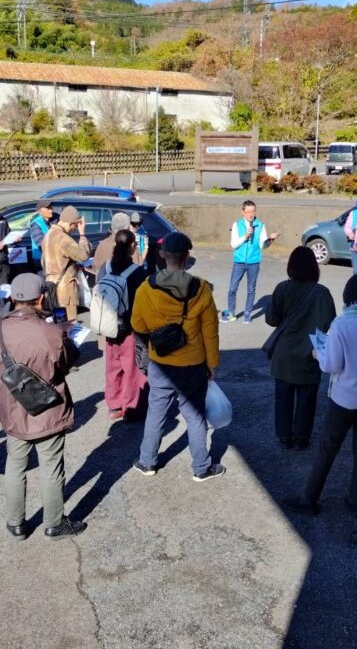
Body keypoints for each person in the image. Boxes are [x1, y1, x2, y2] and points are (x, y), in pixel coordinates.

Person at [0, 273, 86, 541]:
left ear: (12, 298)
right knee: (51, 466)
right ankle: (54, 524)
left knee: (15, 464)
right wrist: (65, 334)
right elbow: (68, 361)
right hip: (46, 409)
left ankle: (15, 523)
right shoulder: (50, 333)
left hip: (12, 409)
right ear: (40, 299)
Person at [281, 273, 357, 518]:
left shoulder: (342, 324)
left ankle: (309, 499)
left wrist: (318, 354)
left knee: (327, 449)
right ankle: (356, 502)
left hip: (345, 399)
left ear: (349, 296)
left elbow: (331, 365)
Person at [130, 231, 225, 482]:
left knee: (156, 412)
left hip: (160, 362)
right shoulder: (201, 289)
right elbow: (210, 331)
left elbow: (137, 324)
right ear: (187, 256)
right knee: (195, 416)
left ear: (162, 255)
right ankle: (201, 467)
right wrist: (212, 363)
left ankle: (147, 461)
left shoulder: (146, 288)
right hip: (192, 363)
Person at [265, 246, 337, 451]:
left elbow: (271, 319)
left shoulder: (282, 288)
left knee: (283, 397)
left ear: (291, 266)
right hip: (310, 352)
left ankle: (284, 435)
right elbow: (329, 322)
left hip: (284, 353)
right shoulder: (322, 293)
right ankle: (301, 438)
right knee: (307, 398)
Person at [103, 230, 149, 420]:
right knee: (132, 369)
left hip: (108, 325)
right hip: (130, 327)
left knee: (112, 367)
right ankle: (131, 407)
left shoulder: (105, 268)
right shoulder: (138, 272)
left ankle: (114, 405)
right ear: (132, 246)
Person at [220, 200, 278, 323]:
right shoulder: (237, 224)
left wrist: (271, 240)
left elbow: (263, 246)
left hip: (254, 261)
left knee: (251, 289)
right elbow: (233, 244)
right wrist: (245, 236)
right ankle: (231, 312)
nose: (251, 214)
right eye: (248, 212)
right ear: (242, 212)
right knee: (232, 288)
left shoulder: (260, 225)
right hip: (239, 261)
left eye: (253, 211)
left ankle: (247, 314)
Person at [42, 205, 92, 322]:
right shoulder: (63, 238)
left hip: (51, 285)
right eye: (75, 226)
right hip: (65, 287)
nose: (74, 229)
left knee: (57, 323)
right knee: (70, 324)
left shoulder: (48, 234)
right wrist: (82, 234)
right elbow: (83, 256)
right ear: (71, 223)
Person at [93, 212, 131, 278]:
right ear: (127, 228)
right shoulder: (129, 246)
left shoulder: (102, 244)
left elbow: (95, 268)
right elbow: (137, 270)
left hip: (103, 283)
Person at [27, 201, 55, 272]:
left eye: (51, 208)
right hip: (42, 260)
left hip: (52, 259)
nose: (51, 210)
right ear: (40, 211)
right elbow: (41, 244)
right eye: (48, 208)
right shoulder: (36, 224)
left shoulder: (54, 220)